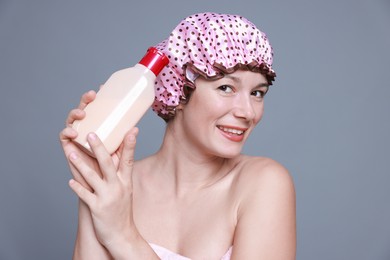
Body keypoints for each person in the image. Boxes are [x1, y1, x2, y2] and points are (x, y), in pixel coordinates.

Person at [60, 12, 296, 260]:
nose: (248, 112)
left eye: (258, 93)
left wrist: (123, 235)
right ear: (179, 92)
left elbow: (120, 236)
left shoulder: (262, 183)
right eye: (226, 88)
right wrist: (93, 181)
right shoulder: (119, 183)